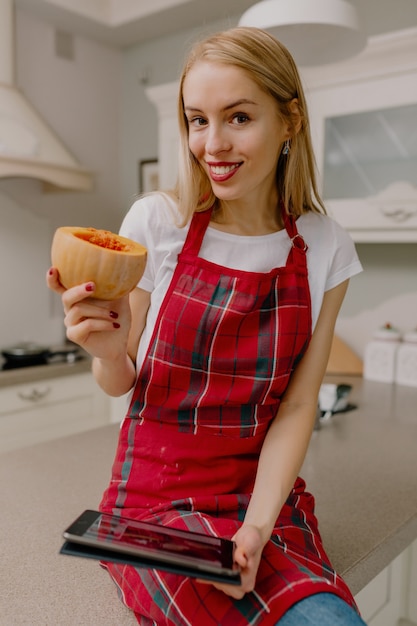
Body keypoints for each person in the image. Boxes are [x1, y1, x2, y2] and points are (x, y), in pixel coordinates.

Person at [47, 26, 366, 626]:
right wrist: (113, 352)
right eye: (197, 120)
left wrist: (258, 526)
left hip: (261, 498)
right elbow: (121, 381)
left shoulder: (325, 246)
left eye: (238, 117)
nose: (211, 144)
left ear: (289, 120)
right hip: (153, 504)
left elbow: (298, 406)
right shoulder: (158, 221)